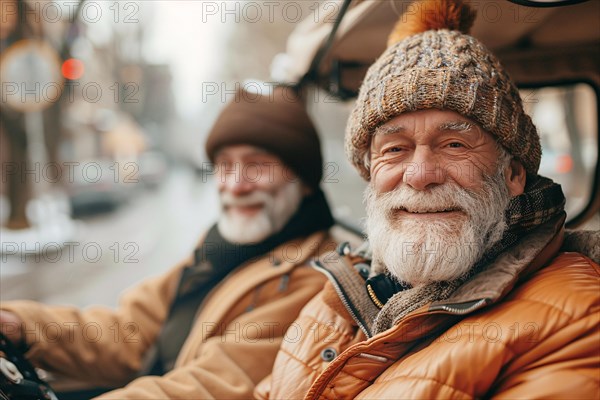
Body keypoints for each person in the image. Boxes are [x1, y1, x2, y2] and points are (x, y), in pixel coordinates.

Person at [255, 1, 600, 399]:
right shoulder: (341, 292)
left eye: (454, 144)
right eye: (394, 149)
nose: (420, 175)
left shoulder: (577, 317)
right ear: (370, 174)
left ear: (514, 174)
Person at [0, 86, 337, 399]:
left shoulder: (315, 280)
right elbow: (129, 333)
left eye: (257, 165)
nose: (235, 184)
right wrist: (21, 326)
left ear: (304, 181)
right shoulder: (220, 250)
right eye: (225, 165)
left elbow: (211, 387)